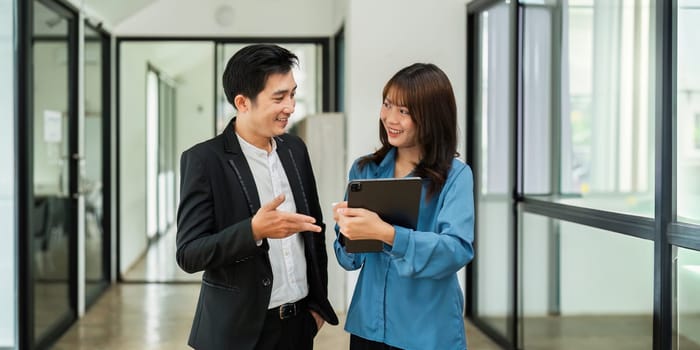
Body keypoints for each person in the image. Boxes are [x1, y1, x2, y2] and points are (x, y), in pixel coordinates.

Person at [176, 43, 338, 350]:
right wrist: (253, 231)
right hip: (238, 334)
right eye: (279, 97)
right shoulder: (204, 160)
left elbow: (314, 229)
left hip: (298, 326)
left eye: (292, 93)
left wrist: (317, 305)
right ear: (242, 102)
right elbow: (189, 253)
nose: (290, 106)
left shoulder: (295, 149)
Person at [333, 63, 474, 350]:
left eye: (404, 111)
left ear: (432, 117)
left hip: (426, 331)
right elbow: (349, 261)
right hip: (369, 328)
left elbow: (457, 250)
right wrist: (346, 232)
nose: (390, 118)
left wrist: (389, 234)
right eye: (387, 105)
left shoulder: (456, 176)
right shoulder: (365, 169)